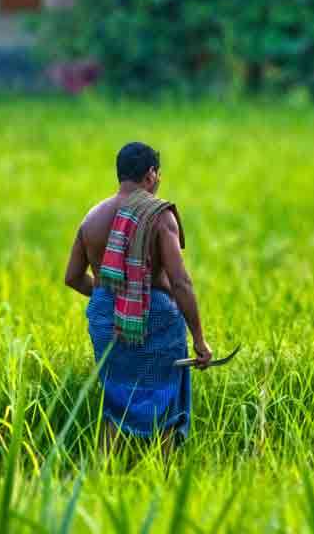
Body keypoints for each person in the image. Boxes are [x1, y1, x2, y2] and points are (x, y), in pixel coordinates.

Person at [63, 142, 212, 447]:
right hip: (155, 319)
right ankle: (165, 473)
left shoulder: (92, 218)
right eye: (158, 174)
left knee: (116, 398)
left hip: (107, 321)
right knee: (165, 398)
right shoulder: (159, 216)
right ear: (151, 174)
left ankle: (105, 473)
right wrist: (199, 338)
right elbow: (180, 282)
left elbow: (73, 278)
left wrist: (113, 296)